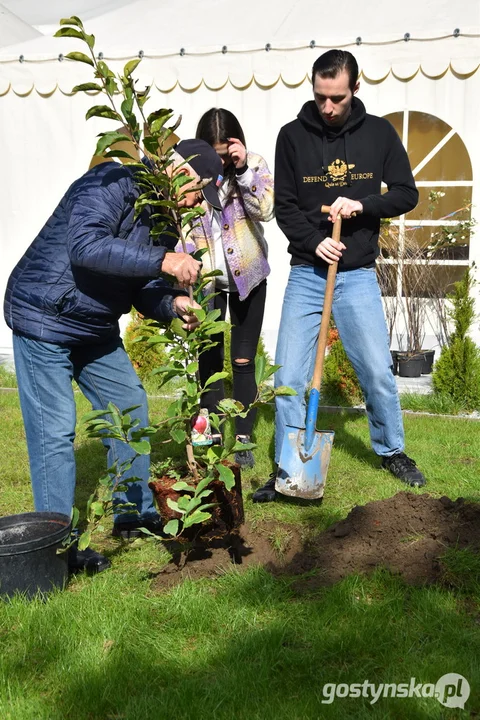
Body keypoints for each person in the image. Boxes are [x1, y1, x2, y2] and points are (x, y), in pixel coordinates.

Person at [4, 138, 224, 570]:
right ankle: (57, 550)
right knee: (55, 433)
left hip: (93, 324)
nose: (198, 202)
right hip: (45, 315)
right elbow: (86, 247)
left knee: (129, 406)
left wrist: (170, 304)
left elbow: (143, 285)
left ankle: (133, 512)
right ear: (178, 171)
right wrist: (165, 259)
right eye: (198, 190)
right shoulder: (112, 180)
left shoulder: (163, 216)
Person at [253, 49, 426, 503]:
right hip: (309, 273)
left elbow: (407, 193)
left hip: (356, 275)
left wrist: (364, 204)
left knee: (375, 369)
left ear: (354, 89)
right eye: (320, 97)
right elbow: (286, 207)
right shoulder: (292, 136)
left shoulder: (379, 134)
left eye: (337, 98)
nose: (328, 107)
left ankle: (392, 451)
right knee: (289, 373)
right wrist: (315, 242)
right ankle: (289, 467)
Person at [187, 108, 274, 467]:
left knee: (242, 360)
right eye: (215, 154)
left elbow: (266, 210)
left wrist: (241, 172)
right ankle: (210, 434)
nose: (220, 161)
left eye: (226, 153)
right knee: (208, 360)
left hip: (248, 277)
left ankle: (242, 437)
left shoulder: (253, 164)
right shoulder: (190, 172)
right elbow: (182, 225)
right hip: (206, 280)